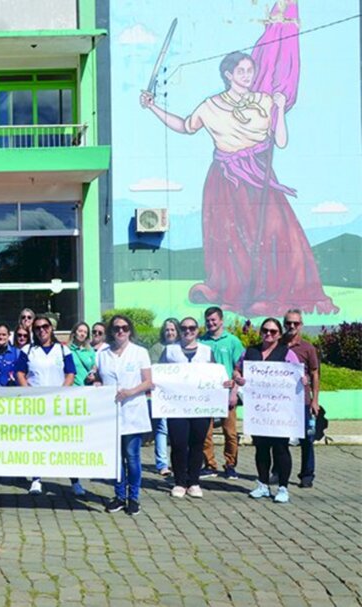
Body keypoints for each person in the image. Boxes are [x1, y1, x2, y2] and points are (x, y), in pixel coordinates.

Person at [139, 3, 336, 317]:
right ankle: (242, 292)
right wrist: (152, 107)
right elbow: (185, 126)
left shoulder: (265, 100)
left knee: (276, 232)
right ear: (228, 74)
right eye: (241, 71)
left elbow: (281, 142)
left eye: (250, 70)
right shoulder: (211, 105)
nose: (248, 75)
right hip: (225, 179)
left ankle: (270, 292)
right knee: (232, 241)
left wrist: (281, 109)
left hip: (258, 174)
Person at [234, 317, 303, 503]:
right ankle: (263, 484)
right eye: (265, 330)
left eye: (273, 331)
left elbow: (299, 375)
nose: (268, 334)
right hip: (258, 411)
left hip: (280, 411)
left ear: (279, 334)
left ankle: (282, 488)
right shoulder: (250, 352)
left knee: (280, 449)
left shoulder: (286, 353)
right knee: (261, 448)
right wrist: (238, 377)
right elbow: (237, 370)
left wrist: (303, 380)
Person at [18, 315, 84, 496]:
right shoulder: (27, 350)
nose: (41, 330)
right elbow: (20, 373)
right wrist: (28, 391)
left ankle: (75, 481)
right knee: (37, 443)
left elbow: (70, 373)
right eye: (37, 328)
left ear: (51, 328)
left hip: (58, 405)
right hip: (36, 405)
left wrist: (62, 393)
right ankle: (36, 479)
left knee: (65, 444)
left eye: (45, 326)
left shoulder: (62, 350)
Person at [95, 314, 153, 516]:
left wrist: (130, 392)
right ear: (111, 331)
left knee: (132, 456)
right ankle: (119, 495)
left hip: (132, 410)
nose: (120, 331)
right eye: (117, 328)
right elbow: (98, 377)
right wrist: (95, 382)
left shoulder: (140, 353)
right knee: (116, 458)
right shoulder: (103, 354)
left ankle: (133, 497)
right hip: (110, 413)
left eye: (125, 328)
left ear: (130, 330)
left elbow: (148, 381)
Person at [160, 317, 215, 498]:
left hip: (200, 406)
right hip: (176, 407)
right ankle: (180, 482)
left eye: (192, 328)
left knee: (197, 443)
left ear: (197, 330)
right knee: (178, 444)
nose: (188, 331)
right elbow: (159, 375)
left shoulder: (207, 352)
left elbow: (214, 377)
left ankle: (194, 481)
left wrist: (224, 384)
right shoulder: (169, 351)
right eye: (184, 328)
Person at [199, 306, 246, 479]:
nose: (211, 323)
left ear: (221, 320)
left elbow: (238, 369)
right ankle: (210, 465)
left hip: (227, 393)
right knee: (206, 432)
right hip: (207, 394)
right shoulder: (201, 342)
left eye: (214, 320)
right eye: (208, 320)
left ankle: (230, 465)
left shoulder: (232, 341)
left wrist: (234, 391)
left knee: (230, 433)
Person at [282, 309, 320, 488]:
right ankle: (278, 471)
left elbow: (314, 373)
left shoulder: (307, 348)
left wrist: (314, 400)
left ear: (301, 325)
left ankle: (307, 474)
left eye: (295, 323)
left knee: (306, 439)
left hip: (301, 400)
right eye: (288, 323)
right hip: (280, 401)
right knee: (279, 439)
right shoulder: (277, 344)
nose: (292, 326)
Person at [149, 318, 180, 478]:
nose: (170, 332)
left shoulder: (183, 348)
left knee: (178, 431)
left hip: (180, 397)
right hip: (161, 396)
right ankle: (162, 464)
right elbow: (152, 371)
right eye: (167, 330)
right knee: (161, 428)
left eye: (173, 330)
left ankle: (179, 463)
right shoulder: (156, 348)